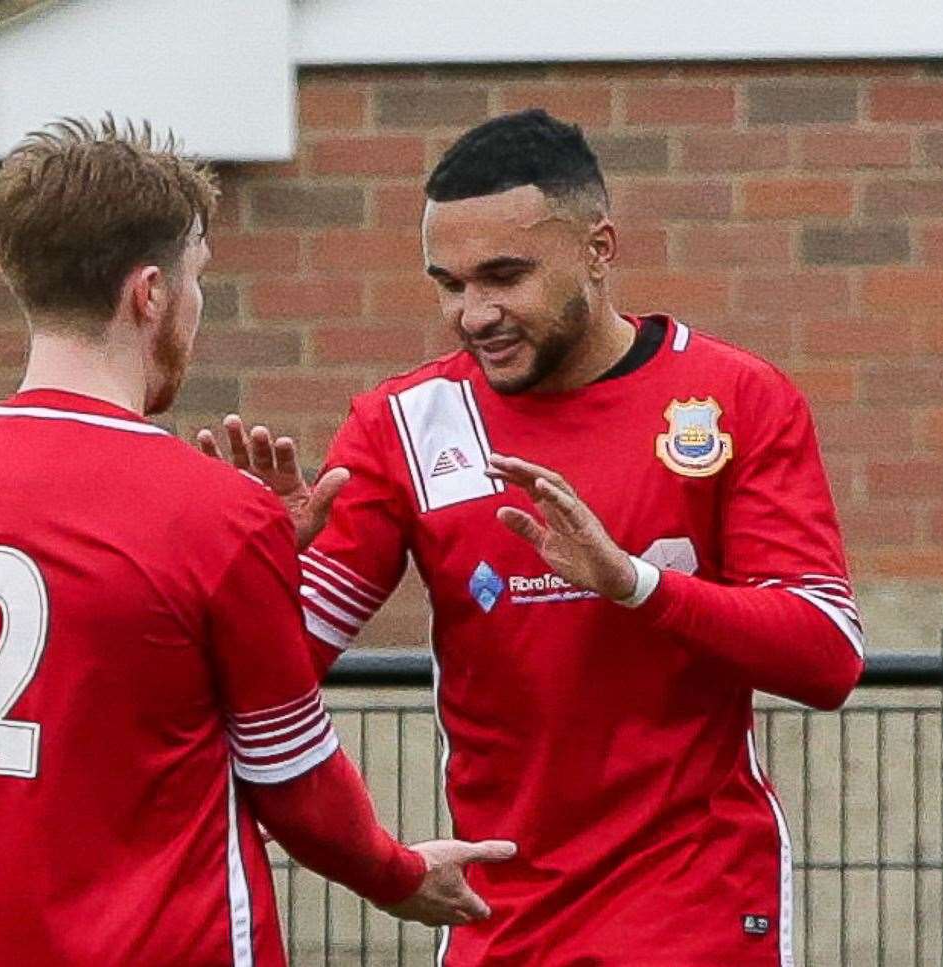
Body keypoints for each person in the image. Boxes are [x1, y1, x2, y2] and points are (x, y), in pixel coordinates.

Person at [200, 109, 864, 966]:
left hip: (691, 908)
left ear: (599, 249)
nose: (474, 314)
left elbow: (828, 657)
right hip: (498, 913)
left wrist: (634, 584)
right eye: (450, 284)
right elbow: (278, 676)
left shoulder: (735, 399)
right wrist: (253, 567)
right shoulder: (404, 423)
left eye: (504, 276)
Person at [0, 117, 515, 967]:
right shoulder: (212, 513)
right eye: (198, 280)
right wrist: (397, 874)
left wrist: (262, 560)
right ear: (151, 294)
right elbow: (295, 782)